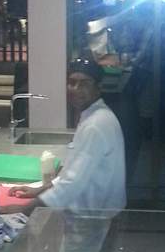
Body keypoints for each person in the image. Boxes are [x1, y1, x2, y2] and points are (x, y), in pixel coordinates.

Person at [11, 58, 126, 212]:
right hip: (95, 210)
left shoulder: (95, 125)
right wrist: (40, 190)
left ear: (98, 88)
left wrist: (21, 209)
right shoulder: (93, 115)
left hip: (96, 216)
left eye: (84, 84)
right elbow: (73, 172)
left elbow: (71, 184)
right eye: (72, 83)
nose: (76, 89)